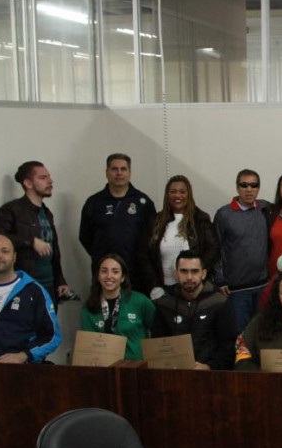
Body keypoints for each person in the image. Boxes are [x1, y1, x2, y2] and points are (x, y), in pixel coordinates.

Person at [0, 161, 68, 302]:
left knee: (49, 323)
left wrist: (60, 280)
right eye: (43, 178)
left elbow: (53, 248)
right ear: (28, 183)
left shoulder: (46, 212)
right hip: (25, 284)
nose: (50, 181)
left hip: (49, 284)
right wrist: (30, 241)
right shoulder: (12, 210)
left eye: (49, 176)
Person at [79, 153, 157, 288]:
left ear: (129, 172)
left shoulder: (143, 202)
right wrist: (101, 254)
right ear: (107, 172)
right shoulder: (94, 202)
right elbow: (85, 237)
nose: (119, 173)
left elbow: (152, 236)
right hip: (105, 273)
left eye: (123, 169)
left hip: (136, 273)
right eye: (114, 169)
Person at [137, 175, 220, 300]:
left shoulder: (200, 220)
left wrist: (197, 275)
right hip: (163, 290)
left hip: (193, 288)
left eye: (182, 191)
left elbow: (213, 249)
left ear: (189, 194)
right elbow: (144, 254)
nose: (177, 196)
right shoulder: (155, 221)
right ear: (167, 195)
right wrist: (154, 286)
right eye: (173, 192)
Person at [152, 251, 238, 371]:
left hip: (211, 375)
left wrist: (209, 367)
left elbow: (229, 346)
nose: (189, 277)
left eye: (194, 271)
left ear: (203, 274)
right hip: (174, 373)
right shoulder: (165, 304)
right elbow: (157, 344)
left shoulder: (219, 303)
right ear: (176, 274)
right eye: (183, 271)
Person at [0, 234, 61, 363]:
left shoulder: (34, 291)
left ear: (14, 257)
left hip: (22, 372)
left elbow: (52, 336)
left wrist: (24, 355)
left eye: (5, 251)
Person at [212, 169, 270, 332]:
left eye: (253, 185)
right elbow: (216, 247)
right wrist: (220, 279)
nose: (249, 189)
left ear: (259, 188)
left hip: (262, 286)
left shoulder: (265, 209)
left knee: (262, 332)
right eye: (244, 185)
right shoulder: (224, 214)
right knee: (240, 335)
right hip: (236, 290)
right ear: (237, 187)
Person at [80, 254, 155, 361]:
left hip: (135, 367)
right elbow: (88, 343)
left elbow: (158, 331)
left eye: (115, 271)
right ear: (98, 275)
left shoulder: (140, 301)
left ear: (123, 277)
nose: (109, 276)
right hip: (102, 367)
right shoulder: (89, 307)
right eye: (104, 271)